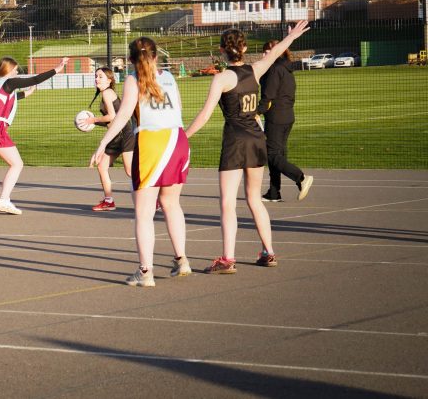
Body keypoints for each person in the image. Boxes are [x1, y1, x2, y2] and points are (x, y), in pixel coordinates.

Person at [185, 21, 309, 274]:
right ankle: (269, 252)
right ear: (243, 48)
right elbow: (275, 52)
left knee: (227, 203)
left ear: (222, 50)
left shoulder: (222, 79)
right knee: (254, 199)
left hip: (235, 140)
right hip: (256, 137)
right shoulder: (255, 70)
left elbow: (206, 114)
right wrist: (292, 37)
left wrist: (184, 135)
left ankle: (228, 259)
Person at [91, 38, 191, 287]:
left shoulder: (133, 80)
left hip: (151, 142)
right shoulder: (168, 76)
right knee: (171, 204)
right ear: (156, 57)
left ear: (131, 60)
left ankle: (145, 271)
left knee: (143, 213)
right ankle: (182, 260)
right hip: (178, 139)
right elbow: (178, 107)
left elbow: (123, 114)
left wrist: (103, 144)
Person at [0, 56, 68, 215]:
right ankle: (4, 200)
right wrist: (57, 69)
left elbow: (8, 99)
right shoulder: (9, 82)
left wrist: (26, 94)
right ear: (9, 70)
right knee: (17, 164)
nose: (17, 72)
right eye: (16, 69)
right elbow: (35, 79)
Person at [258, 40, 313, 203]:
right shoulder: (286, 68)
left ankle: (301, 178)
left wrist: (254, 111)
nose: (264, 55)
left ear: (277, 51)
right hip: (287, 116)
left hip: (276, 117)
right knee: (278, 153)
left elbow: (268, 97)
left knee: (272, 154)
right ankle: (274, 193)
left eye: (267, 52)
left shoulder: (275, 69)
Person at [82, 67, 135, 211]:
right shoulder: (106, 93)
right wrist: (93, 122)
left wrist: (93, 120)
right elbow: (110, 120)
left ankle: (153, 198)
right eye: (96, 76)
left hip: (124, 134)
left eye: (100, 76)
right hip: (115, 135)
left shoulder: (107, 93)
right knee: (101, 166)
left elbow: (112, 116)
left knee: (130, 171)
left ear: (109, 80)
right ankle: (108, 200)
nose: (97, 79)